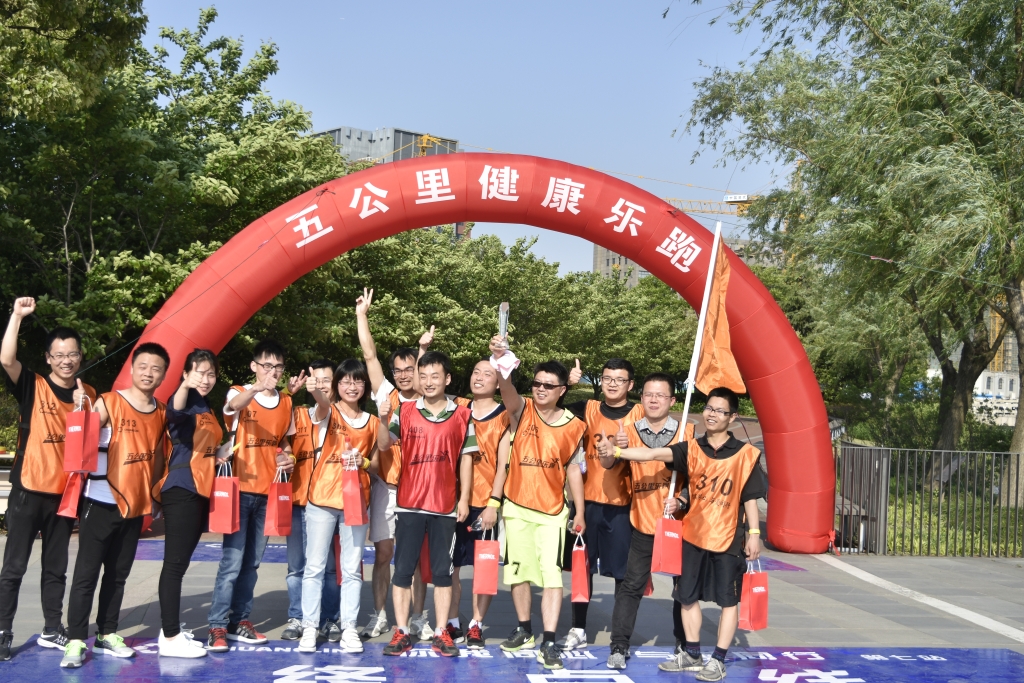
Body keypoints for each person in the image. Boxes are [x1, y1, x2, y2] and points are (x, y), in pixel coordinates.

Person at [595, 387, 766, 683]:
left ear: (732, 417)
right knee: (686, 597)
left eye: (720, 411)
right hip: (692, 534)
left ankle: (719, 659)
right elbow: (651, 453)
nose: (712, 414)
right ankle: (692, 653)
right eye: (709, 408)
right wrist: (618, 452)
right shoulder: (692, 448)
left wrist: (753, 533)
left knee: (728, 601)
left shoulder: (746, 454)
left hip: (727, 536)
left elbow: (750, 498)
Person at [61, 342, 170, 669]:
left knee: (118, 576)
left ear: (163, 374)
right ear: (132, 368)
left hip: (134, 508)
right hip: (100, 502)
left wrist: (155, 496)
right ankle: (76, 639)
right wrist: (80, 409)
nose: (148, 373)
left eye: (156, 368)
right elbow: (81, 440)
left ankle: (107, 633)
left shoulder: (161, 411)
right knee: (86, 575)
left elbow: (158, 456)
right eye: (143, 366)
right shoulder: (109, 402)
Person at [0, 297, 96, 661]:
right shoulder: (32, 384)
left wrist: (85, 406)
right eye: (59, 355)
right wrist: (17, 316)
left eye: (72, 354)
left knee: (56, 569)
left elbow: (94, 443)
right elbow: (6, 359)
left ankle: (52, 629)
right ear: (48, 358)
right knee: (14, 568)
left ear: (80, 356)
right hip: (28, 490)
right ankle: (3, 631)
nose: (66, 360)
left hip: (65, 495)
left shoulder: (88, 395)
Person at [490, 337, 587, 671]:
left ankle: (549, 641)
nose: (541, 389)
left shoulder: (576, 426)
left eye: (548, 385)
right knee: (518, 574)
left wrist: (579, 511)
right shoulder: (522, 410)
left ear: (562, 390)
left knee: (552, 578)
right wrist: (501, 360)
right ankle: (524, 630)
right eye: (537, 383)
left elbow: (573, 470)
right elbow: (506, 389)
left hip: (552, 511)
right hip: (516, 506)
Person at [377, 350, 476, 658]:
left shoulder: (463, 415)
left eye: (435, 376)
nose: (429, 381)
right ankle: (402, 630)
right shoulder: (404, 410)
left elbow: (467, 460)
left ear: (447, 378)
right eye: (424, 376)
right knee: (403, 570)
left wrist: (464, 499)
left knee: (443, 572)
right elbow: (383, 444)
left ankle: (441, 631)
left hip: (444, 506)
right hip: (409, 504)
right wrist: (382, 418)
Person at [355, 288, 435, 640]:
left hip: (418, 491)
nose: (404, 375)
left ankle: (418, 617)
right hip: (386, 487)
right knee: (384, 554)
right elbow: (369, 355)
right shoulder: (385, 394)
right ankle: (379, 615)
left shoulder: (430, 400)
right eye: (398, 370)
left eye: (410, 369)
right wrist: (362, 315)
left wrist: (424, 350)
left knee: (415, 558)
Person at [207, 340, 296, 652]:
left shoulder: (286, 403)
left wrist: (288, 458)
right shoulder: (239, 391)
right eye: (267, 365)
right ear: (254, 366)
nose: (273, 371)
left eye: (278, 366)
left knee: (252, 563)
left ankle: (239, 621)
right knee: (231, 561)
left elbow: (285, 443)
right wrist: (257, 387)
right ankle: (217, 625)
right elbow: (233, 406)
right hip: (240, 488)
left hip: (269, 492)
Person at [599, 372, 690, 670]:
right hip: (642, 522)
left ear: (672, 401)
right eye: (648, 394)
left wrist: (682, 499)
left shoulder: (686, 432)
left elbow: (699, 478)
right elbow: (608, 462)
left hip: (678, 525)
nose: (653, 400)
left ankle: (684, 644)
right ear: (641, 398)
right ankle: (619, 645)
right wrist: (610, 449)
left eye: (660, 395)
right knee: (631, 586)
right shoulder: (627, 433)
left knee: (683, 589)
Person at [297, 359, 378, 655]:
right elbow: (320, 403)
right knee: (314, 567)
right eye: (345, 381)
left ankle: (349, 628)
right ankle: (309, 626)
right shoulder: (328, 412)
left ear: (364, 386)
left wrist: (363, 461)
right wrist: (315, 390)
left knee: (352, 569)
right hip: (322, 499)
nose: (351, 386)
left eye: (357, 381)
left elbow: (377, 464)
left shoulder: (373, 422)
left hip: (355, 501)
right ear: (336, 386)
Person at [562, 358, 644, 650]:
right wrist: (568, 382)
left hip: (623, 505)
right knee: (581, 569)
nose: (612, 383)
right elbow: (551, 407)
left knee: (623, 574)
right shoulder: (588, 408)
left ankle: (620, 636)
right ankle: (578, 629)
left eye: (619, 379)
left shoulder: (640, 413)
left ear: (630, 385)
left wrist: (629, 444)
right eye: (607, 378)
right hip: (586, 504)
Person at [154, 348, 223, 659]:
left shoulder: (206, 406)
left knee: (179, 564)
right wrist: (184, 386)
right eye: (199, 373)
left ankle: (171, 631)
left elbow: (204, 447)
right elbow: (175, 410)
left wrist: (221, 453)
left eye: (211, 374)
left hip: (200, 489)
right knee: (174, 565)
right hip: (181, 488)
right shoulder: (183, 399)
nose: (205, 379)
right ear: (185, 373)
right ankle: (169, 637)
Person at [448, 359, 511, 648]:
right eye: (476, 372)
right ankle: (451, 622)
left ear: (498, 383)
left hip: (485, 503)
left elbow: (502, 466)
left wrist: (493, 504)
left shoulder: (504, 416)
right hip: (453, 502)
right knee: (450, 567)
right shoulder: (457, 408)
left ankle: (476, 624)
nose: (480, 377)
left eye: (488, 374)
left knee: (484, 568)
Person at [281, 360, 341, 644]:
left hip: (328, 501)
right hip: (297, 500)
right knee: (296, 566)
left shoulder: (343, 416)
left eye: (326, 379)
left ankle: (330, 618)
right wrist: (287, 457)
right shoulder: (297, 414)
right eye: (316, 379)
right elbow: (282, 442)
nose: (321, 384)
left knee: (328, 567)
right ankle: (298, 617)